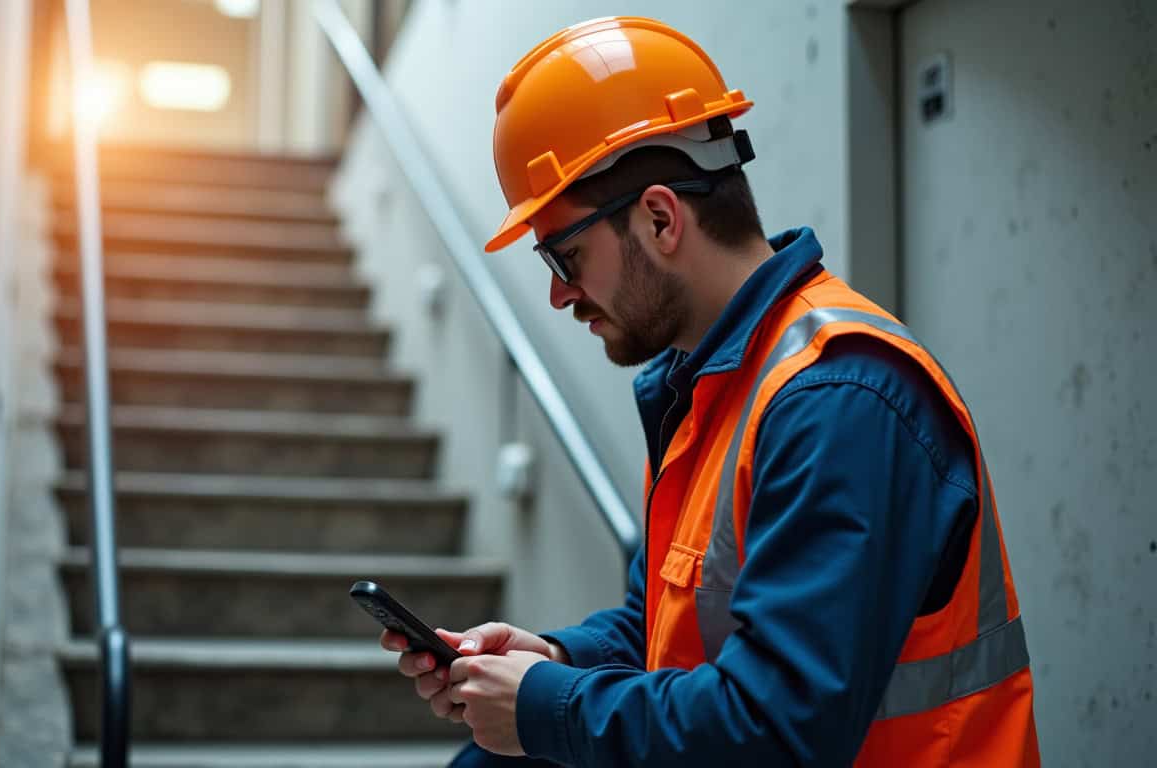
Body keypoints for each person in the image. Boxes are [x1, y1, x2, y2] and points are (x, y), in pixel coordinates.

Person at [379, 16, 1039, 767]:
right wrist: (555, 656)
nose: (560, 297)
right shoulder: (713, 386)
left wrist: (544, 708)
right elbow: (659, 624)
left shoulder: (838, 397)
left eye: (566, 258)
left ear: (660, 218)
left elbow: (777, 727)